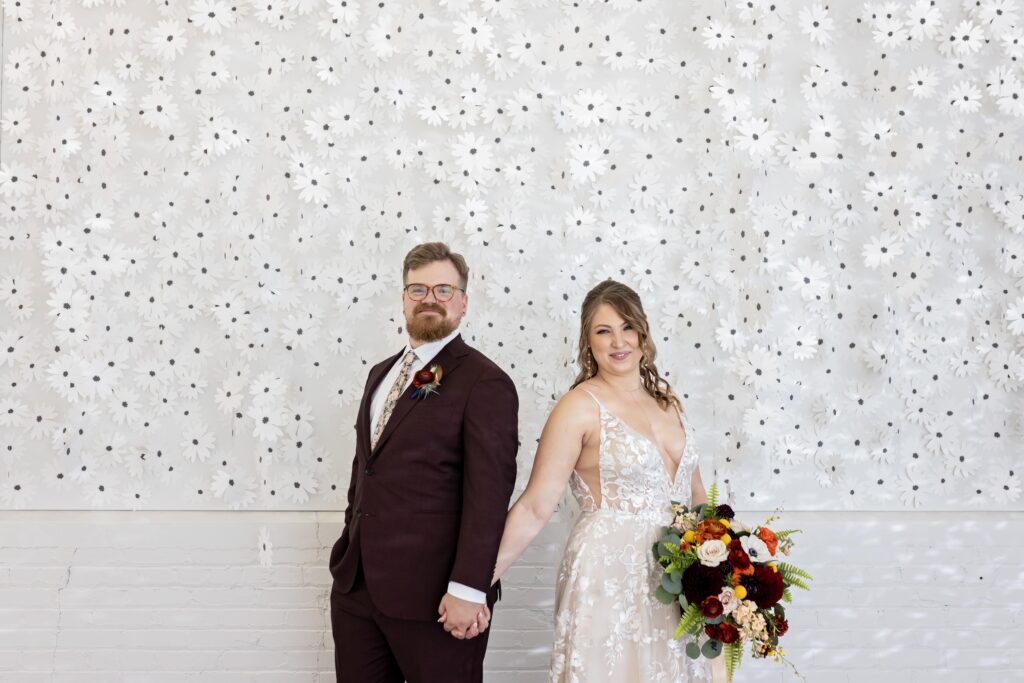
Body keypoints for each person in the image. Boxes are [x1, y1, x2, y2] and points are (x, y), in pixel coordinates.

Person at [490, 280, 710, 682]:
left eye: (627, 327)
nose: (618, 341)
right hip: (607, 573)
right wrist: (475, 581)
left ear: (643, 333)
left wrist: (724, 569)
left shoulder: (669, 402)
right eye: (603, 331)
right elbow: (536, 505)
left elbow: (697, 497)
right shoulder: (577, 408)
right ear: (587, 342)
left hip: (676, 577)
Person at [328, 242, 519, 683]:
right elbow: (366, 472)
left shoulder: (485, 382)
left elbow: (489, 497)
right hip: (357, 592)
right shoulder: (381, 373)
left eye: (443, 289)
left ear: (463, 301)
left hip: (439, 600)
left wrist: (470, 588)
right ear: (403, 299)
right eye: (417, 289)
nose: (429, 298)